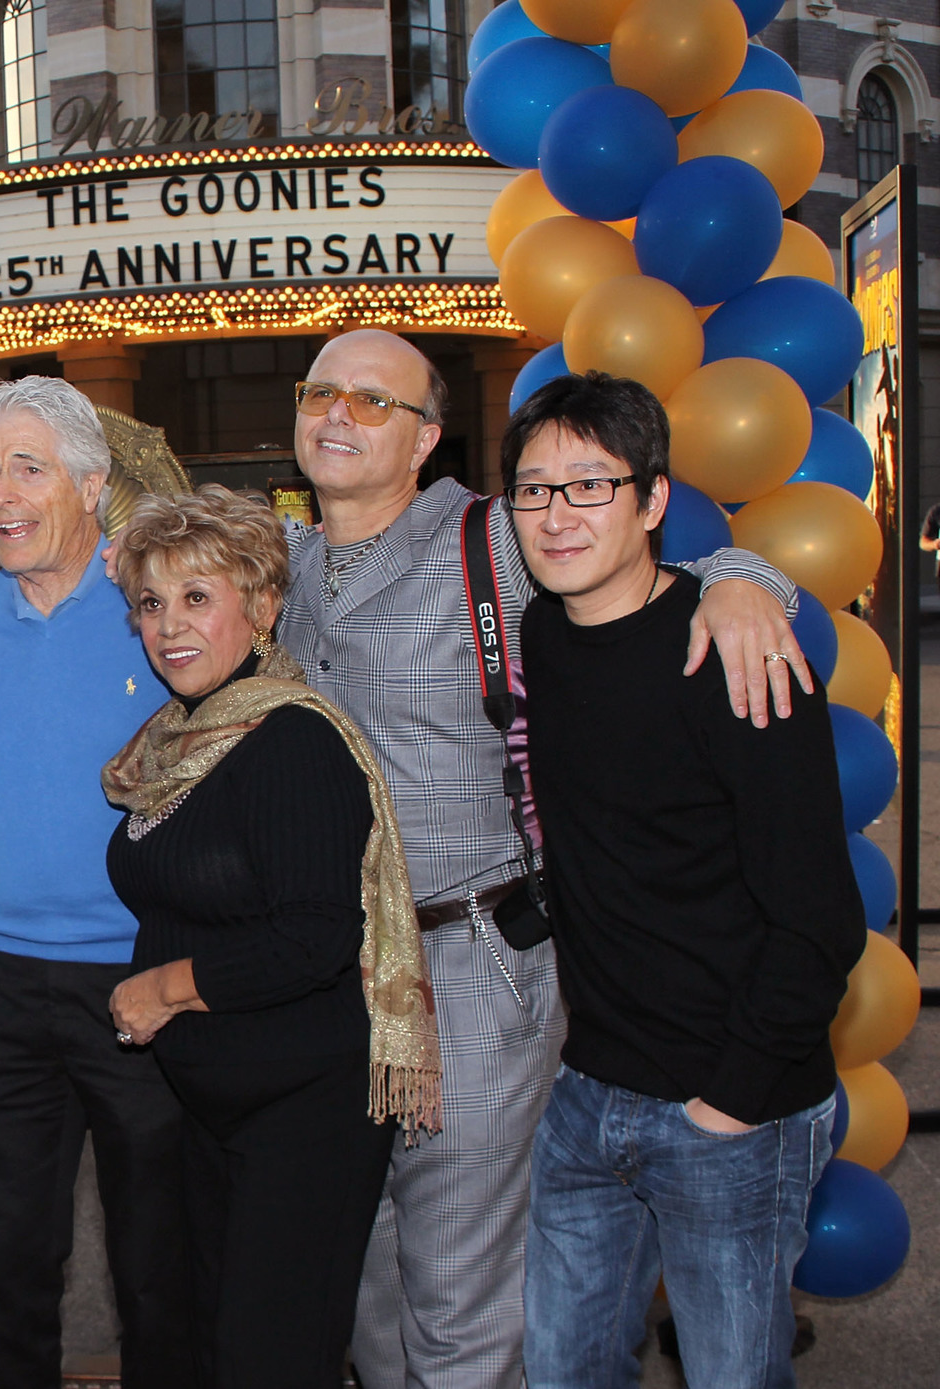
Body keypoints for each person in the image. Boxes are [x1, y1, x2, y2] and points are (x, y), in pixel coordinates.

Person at [271, 330, 809, 1389]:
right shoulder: (279, 564)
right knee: (367, 1270)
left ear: (426, 437)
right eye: (319, 391)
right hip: (335, 975)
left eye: (371, 401)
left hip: (469, 964)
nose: (336, 413)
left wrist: (748, 582)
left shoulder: (495, 536)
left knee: (460, 1289)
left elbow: (657, 571)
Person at [504, 373, 864, 1389]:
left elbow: (818, 918)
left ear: (652, 500)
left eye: (588, 485)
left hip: (728, 1108)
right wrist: (742, 568)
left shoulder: (735, 655)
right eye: (533, 490)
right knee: (562, 1369)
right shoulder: (542, 630)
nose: (556, 515)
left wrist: (731, 1101)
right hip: (590, 1094)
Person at [101, 484, 439, 1388]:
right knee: (213, 1350)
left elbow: (315, 937)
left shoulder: (290, 739)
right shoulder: (179, 739)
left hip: (304, 1107)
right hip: (213, 1106)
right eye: (151, 601)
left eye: (197, 597)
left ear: (261, 606)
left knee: (269, 1360)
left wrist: (165, 988)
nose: (170, 624)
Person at [0, 377, 193, 1388]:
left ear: (91, 486)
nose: (2, 490)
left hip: (144, 981)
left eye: (28, 467)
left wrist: (735, 571)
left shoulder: (161, 605)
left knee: (161, 1266)